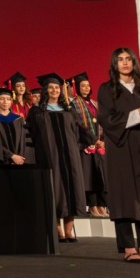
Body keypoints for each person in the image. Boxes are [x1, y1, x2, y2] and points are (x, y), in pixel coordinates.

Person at [97, 47, 140, 263]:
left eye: (128, 59)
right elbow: (107, 120)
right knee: (125, 196)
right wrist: (139, 112)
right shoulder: (107, 89)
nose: (124, 63)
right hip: (121, 147)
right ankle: (128, 247)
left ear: (134, 62)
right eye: (120, 59)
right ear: (114, 64)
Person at [27, 73, 88, 242]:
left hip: (70, 155)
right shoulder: (37, 110)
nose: (54, 90)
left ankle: (69, 230)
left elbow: (80, 130)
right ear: (45, 90)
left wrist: (87, 144)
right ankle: (58, 229)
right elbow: (31, 133)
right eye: (50, 87)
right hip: (49, 155)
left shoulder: (69, 110)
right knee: (55, 188)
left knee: (71, 186)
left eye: (56, 87)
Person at [70, 72, 108, 217]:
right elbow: (79, 124)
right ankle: (92, 205)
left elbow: (102, 121)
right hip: (85, 145)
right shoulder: (74, 104)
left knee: (101, 176)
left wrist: (102, 140)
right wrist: (93, 140)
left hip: (99, 145)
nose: (86, 88)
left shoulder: (94, 103)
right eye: (83, 86)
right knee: (90, 177)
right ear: (77, 88)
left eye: (88, 85)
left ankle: (102, 205)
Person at [0, 87, 28, 165]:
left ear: (11, 102)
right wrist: (11, 156)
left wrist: (19, 157)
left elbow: (24, 142)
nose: (5, 102)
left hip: (19, 162)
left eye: (8, 99)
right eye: (2, 99)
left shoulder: (18, 120)